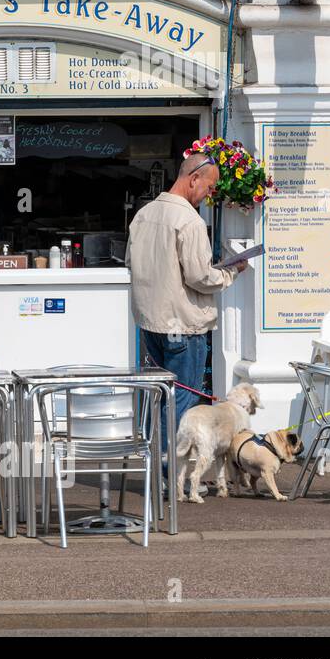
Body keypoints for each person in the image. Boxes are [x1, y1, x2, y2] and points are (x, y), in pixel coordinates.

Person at [126, 153, 247, 453]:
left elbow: (131, 261)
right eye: (209, 187)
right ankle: (170, 473)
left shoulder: (144, 214)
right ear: (194, 179)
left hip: (150, 323)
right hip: (183, 325)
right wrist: (231, 270)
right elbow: (200, 277)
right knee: (181, 399)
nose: (209, 196)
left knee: (162, 395)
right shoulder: (190, 221)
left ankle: (160, 465)